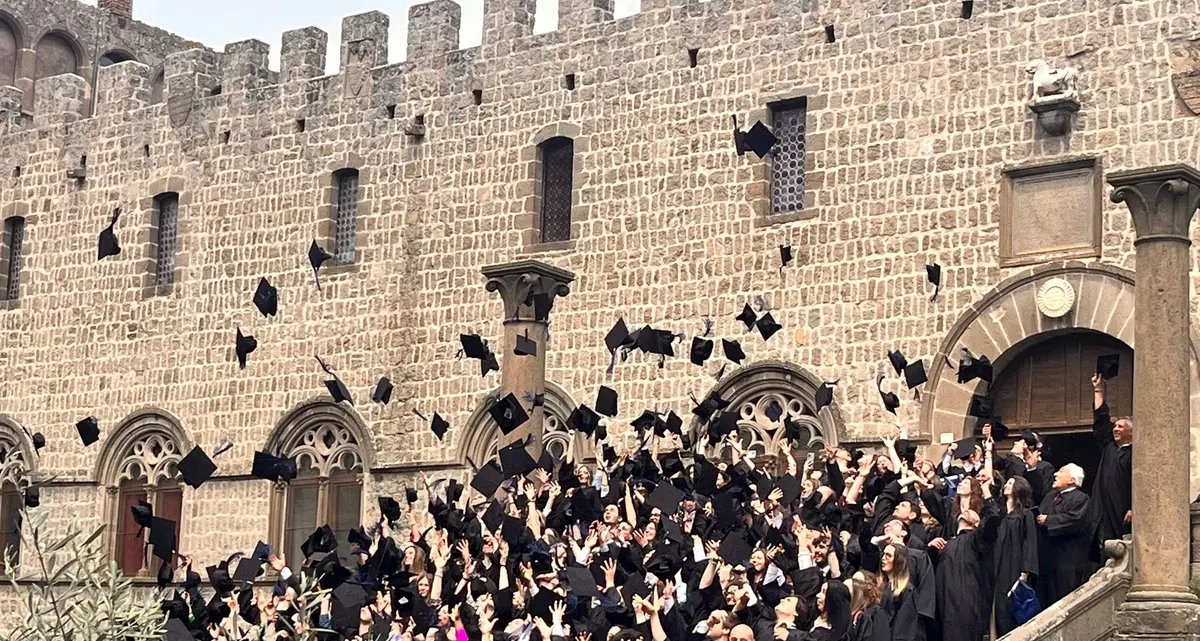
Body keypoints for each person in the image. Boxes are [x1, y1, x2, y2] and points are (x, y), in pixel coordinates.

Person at [933, 472, 1000, 641]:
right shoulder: (947, 542)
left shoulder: (977, 540)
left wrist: (986, 490)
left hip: (966, 600)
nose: (967, 513)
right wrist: (932, 548)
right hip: (944, 600)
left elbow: (993, 519)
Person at [1036, 464, 1093, 607]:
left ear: (1072, 480)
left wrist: (1049, 520)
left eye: (1061, 472)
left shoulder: (1081, 499)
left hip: (1068, 559)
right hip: (1047, 557)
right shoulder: (1050, 496)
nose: (1055, 474)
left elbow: (1075, 520)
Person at [1089, 373, 1133, 558]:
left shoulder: (1137, 453)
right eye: (1115, 426)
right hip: (1103, 509)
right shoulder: (1109, 446)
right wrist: (1098, 390)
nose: (1115, 428)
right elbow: (1101, 419)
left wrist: (1134, 507)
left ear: (1132, 432)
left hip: (1123, 509)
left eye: (1121, 427)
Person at [993, 476, 1040, 637]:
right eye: (1007, 482)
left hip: (1013, 565)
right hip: (995, 566)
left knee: (1009, 609)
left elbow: (1029, 543)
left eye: (1011, 483)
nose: (1007, 485)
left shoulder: (1025, 515)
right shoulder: (998, 513)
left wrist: (1025, 572)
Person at [848, 571, 890, 641]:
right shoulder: (846, 613)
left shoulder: (875, 613)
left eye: (857, 581)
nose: (854, 584)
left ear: (869, 586)